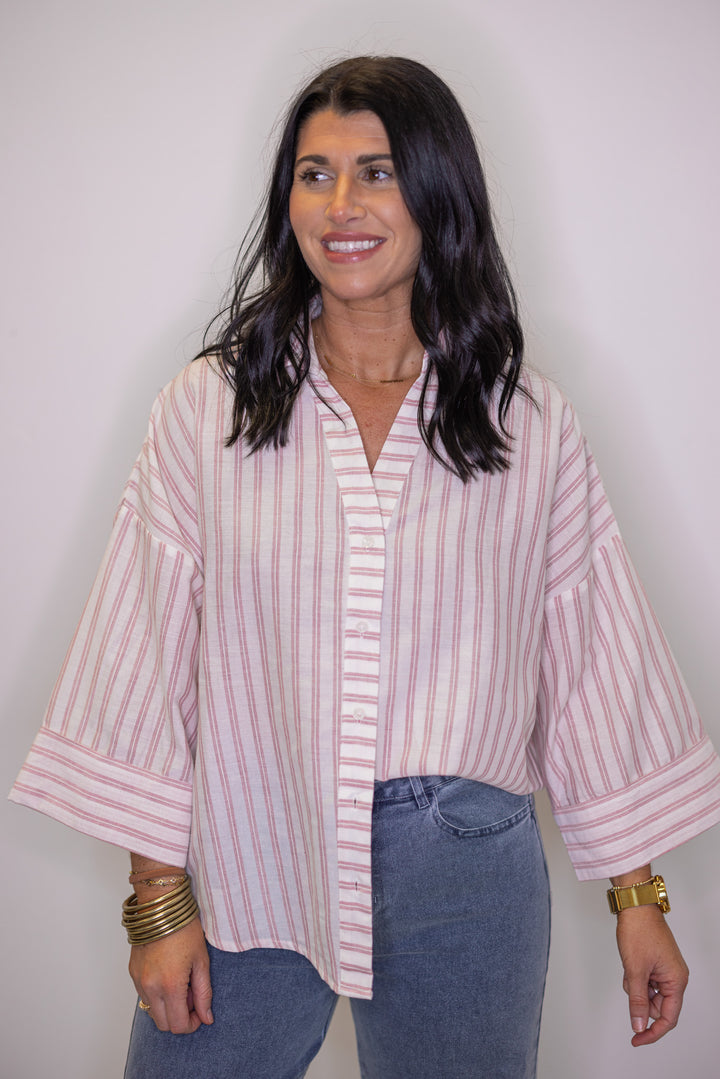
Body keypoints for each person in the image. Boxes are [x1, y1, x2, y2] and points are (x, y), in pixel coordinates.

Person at [9, 55, 720, 1079]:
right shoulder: (207, 411)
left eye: (377, 172)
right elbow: (144, 648)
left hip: (468, 863)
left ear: (438, 194)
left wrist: (639, 899)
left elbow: (593, 657)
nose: (340, 204)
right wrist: (157, 899)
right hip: (259, 844)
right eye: (314, 173)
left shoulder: (526, 422)